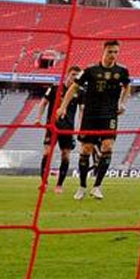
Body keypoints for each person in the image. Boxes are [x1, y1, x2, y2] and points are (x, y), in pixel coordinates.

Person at [58, 40, 130, 200]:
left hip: (109, 115)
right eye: (110, 51)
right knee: (86, 149)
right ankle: (82, 186)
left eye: (116, 52)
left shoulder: (122, 71)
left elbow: (127, 87)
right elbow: (74, 87)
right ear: (103, 51)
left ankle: (97, 186)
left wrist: (123, 103)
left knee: (108, 146)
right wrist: (63, 107)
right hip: (90, 115)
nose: (113, 55)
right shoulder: (90, 71)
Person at [35, 65, 81, 193]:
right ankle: (44, 182)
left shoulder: (79, 92)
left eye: (77, 76)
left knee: (65, 155)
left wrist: (80, 126)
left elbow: (81, 110)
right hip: (52, 126)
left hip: (68, 128)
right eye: (73, 75)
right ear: (67, 75)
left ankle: (59, 185)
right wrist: (38, 118)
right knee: (47, 153)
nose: (74, 78)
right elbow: (43, 102)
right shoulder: (54, 88)